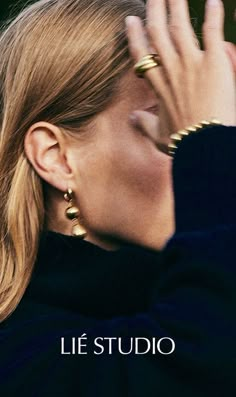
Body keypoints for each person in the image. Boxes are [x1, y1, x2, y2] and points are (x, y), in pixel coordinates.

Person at [0, 0, 235, 396]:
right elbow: (200, 360)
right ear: (57, 158)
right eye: (169, 125)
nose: (200, 160)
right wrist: (207, 140)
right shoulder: (24, 354)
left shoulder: (198, 290)